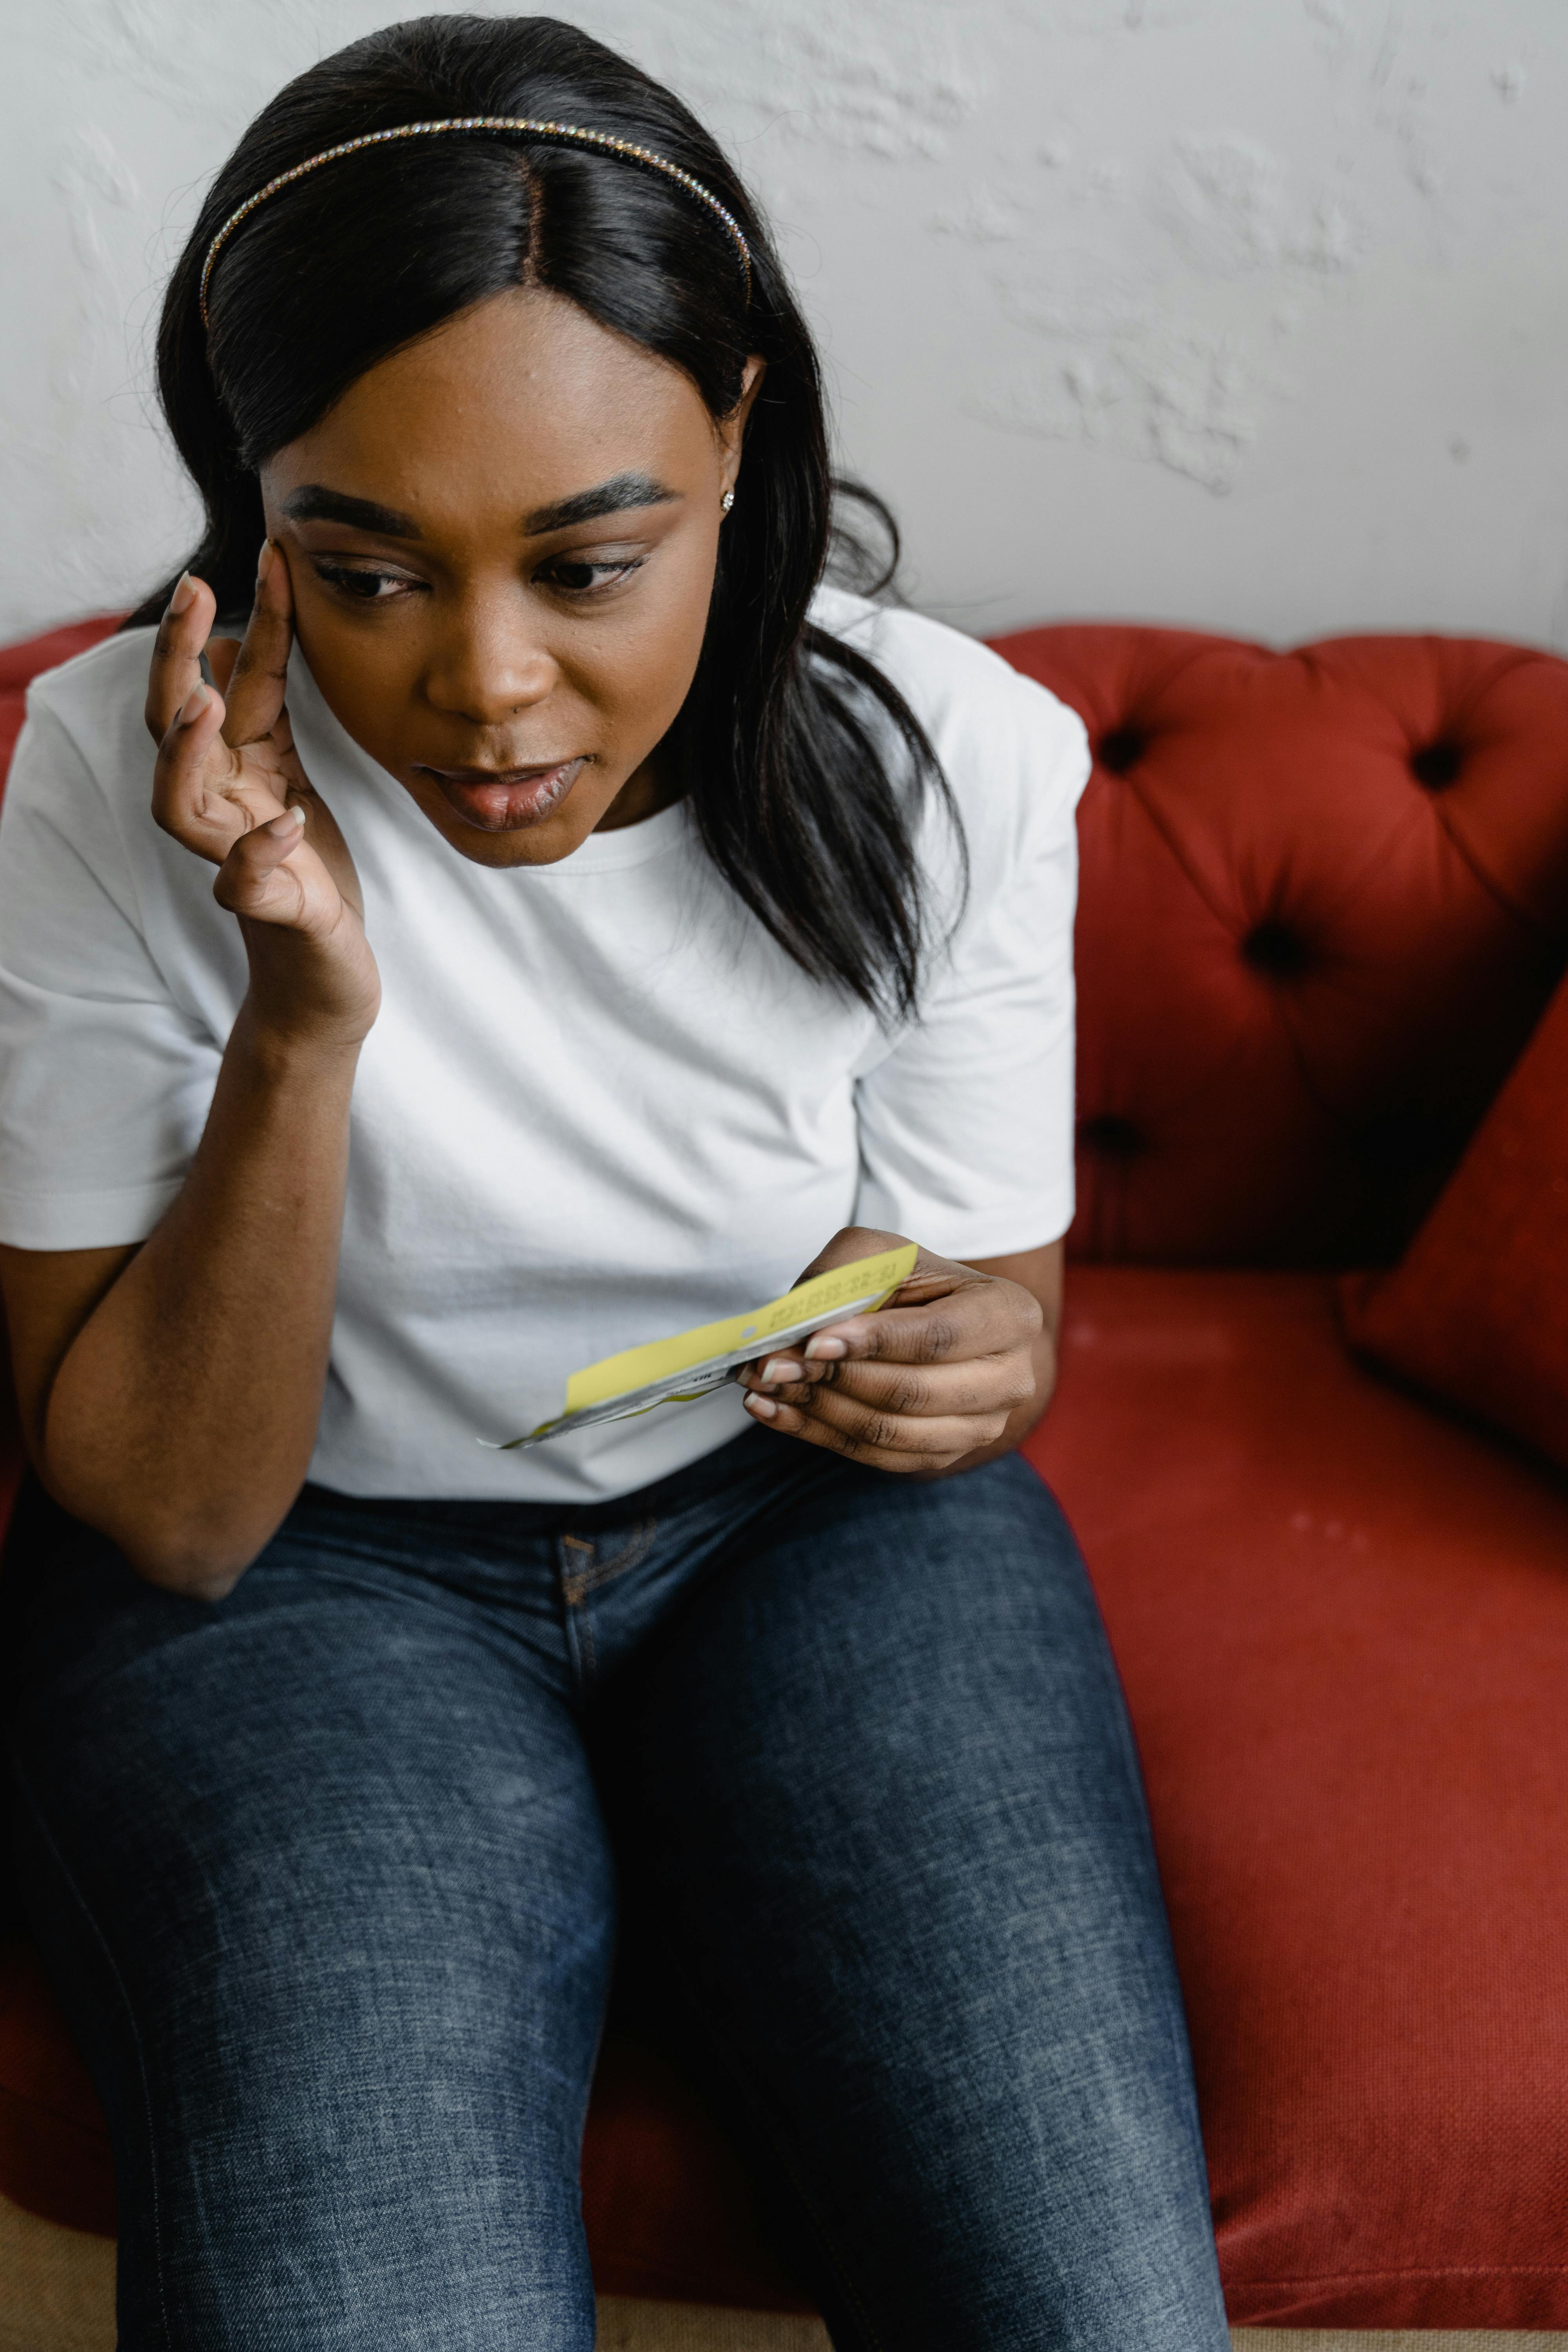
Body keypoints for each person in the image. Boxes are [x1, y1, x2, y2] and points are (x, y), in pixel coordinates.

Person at [0, 15, 1229, 2348]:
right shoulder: (97, 782)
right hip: (301, 1587)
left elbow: (989, 1299)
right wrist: (303, 1013)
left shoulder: (951, 756)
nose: (485, 689)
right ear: (253, 499)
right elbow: (168, 1514)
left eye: (591, 563)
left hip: (797, 1527)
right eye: (359, 571)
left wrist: (979, 1354)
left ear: (739, 432)